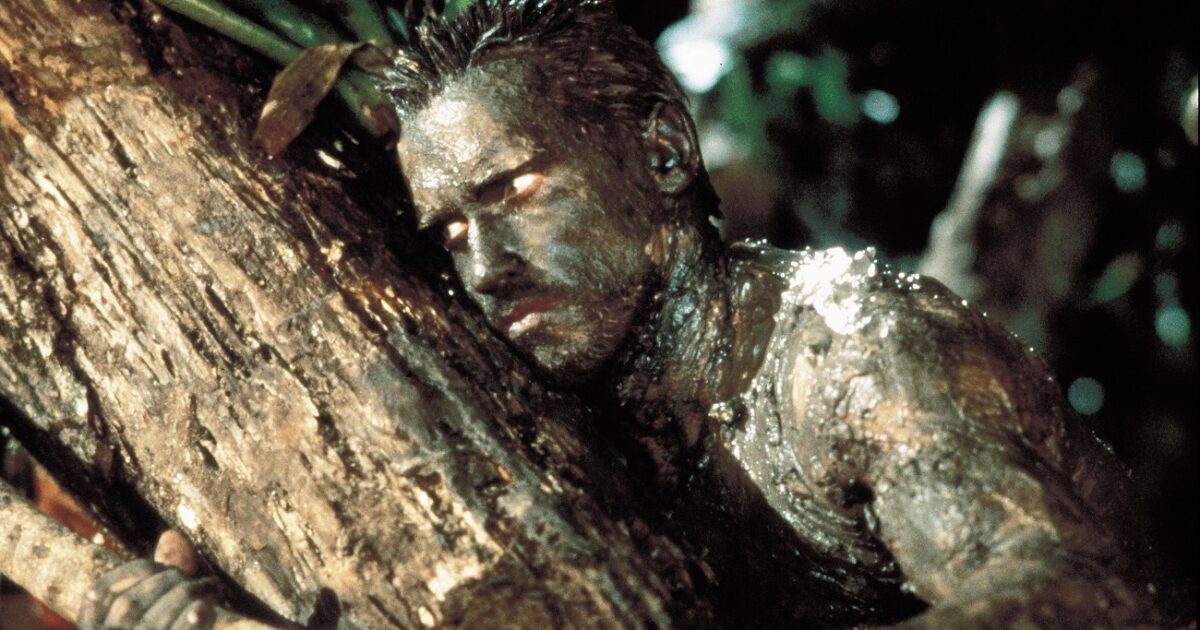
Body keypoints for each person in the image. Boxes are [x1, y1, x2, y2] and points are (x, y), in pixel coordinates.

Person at [82, 1, 1165, 627]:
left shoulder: (853, 349)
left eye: (514, 190)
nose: (485, 266)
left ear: (661, 151)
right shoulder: (553, 412)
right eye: (449, 232)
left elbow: (1072, 594)